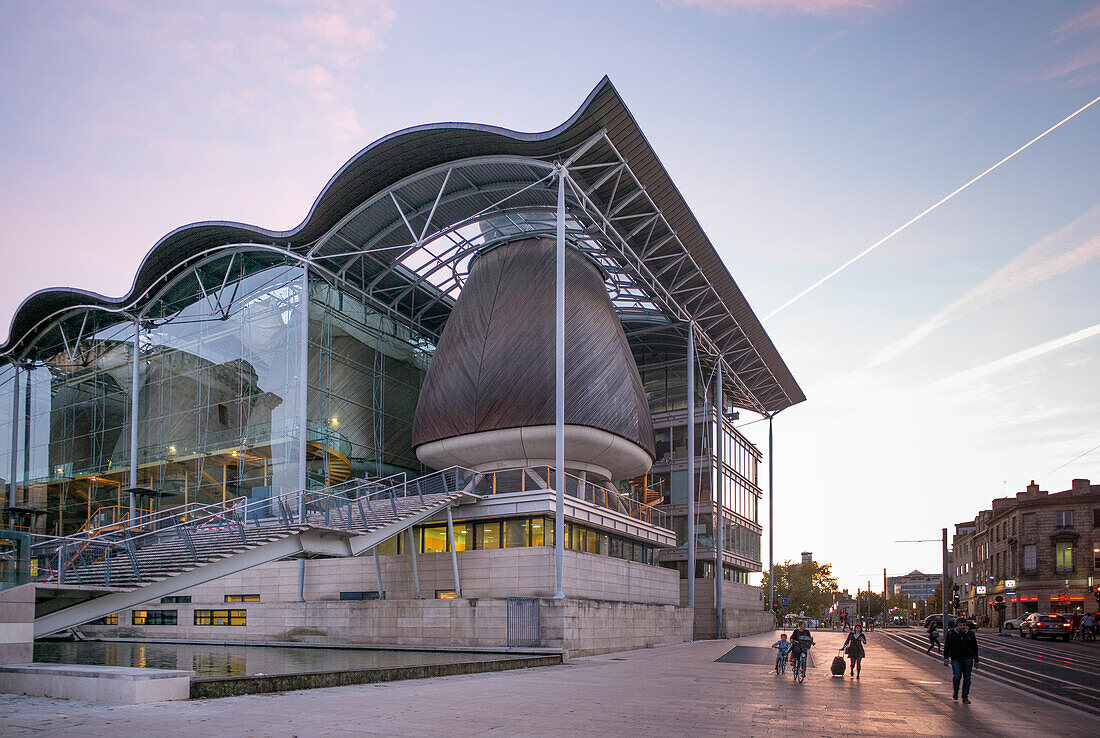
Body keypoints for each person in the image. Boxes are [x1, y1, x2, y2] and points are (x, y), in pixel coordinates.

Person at [943, 618, 979, 704]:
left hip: (968, 658)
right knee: (957, 676)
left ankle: (965, 697)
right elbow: (947, 646)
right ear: (957, 625)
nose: (962, 627)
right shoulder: (951, 633)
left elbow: (975, 647)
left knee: (967, 678)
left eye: (964, 625)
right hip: (956, 658)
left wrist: (976, 660)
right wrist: (946, 658)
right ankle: (956, 691)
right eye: (960, 625)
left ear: (966, 625)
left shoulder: (970, 634)